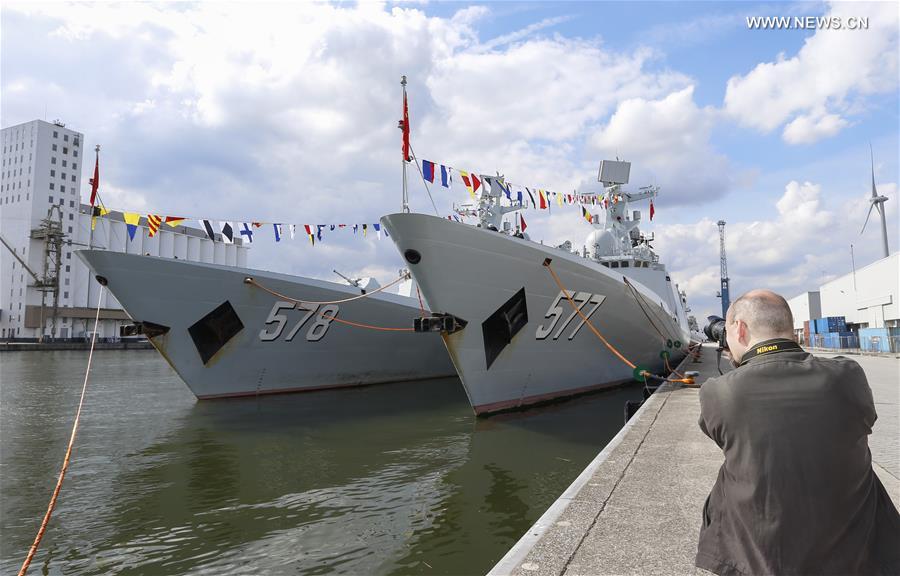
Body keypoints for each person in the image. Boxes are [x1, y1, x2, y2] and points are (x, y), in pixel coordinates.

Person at [696, 289, 900, 576]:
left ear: (739, 329)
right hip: (858, 551)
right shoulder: (848, 375)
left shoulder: (718, 392)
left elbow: (731, 434)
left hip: (760, 556)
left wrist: (741, 365)